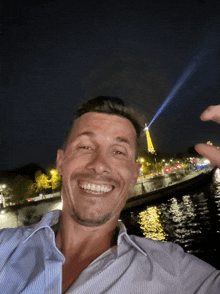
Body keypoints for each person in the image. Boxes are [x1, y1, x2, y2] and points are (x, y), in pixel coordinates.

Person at [0, 97, 220, 294]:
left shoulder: (177, 270)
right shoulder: (4, 246)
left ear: (135, 173)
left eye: (118, 152)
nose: (99, 165)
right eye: (85, 147)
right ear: (61, 161)